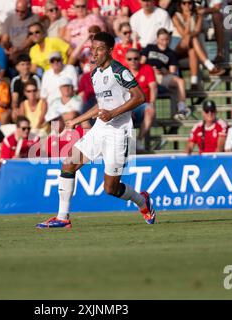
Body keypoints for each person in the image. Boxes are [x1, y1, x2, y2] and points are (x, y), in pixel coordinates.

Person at [36, 32, 155, 229]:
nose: (95, 53)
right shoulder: (95, 73)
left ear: (110, 50)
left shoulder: (119, 71)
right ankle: (63, 217)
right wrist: (77, 119)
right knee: (68, 164)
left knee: (110, 188)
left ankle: (142, 201)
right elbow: (101, 104)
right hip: (100, 129)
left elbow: (140, 97)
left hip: (119, 133)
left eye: (99, 49)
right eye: (93, 49)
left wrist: (114, 112)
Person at [172, 0, 225, 88]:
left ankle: (194, 82)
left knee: (192, 49)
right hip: (178, 47)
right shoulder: (175, 17)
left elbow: (197, 30)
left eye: (189, 3)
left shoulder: (197, 14)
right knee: (193, 39)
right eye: (184, 3)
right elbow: (184, 35)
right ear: (180, 4)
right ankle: (210, 66)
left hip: (190, 48)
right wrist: (188, 19)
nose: (187, 6)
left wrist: (199, 15)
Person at [141, 28, 190, 120]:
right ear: (157, 39)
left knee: (180, 81)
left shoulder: (171, 53)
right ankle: (150, 113)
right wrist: (149, 69)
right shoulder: (150, 48)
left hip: (161, 76)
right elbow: (141, 62)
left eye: (167, 39)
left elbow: (172, 70)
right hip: (147, 74)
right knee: (152, 83)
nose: (165, 42)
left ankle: (182, 108)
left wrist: (165, 71)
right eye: (162, 39)